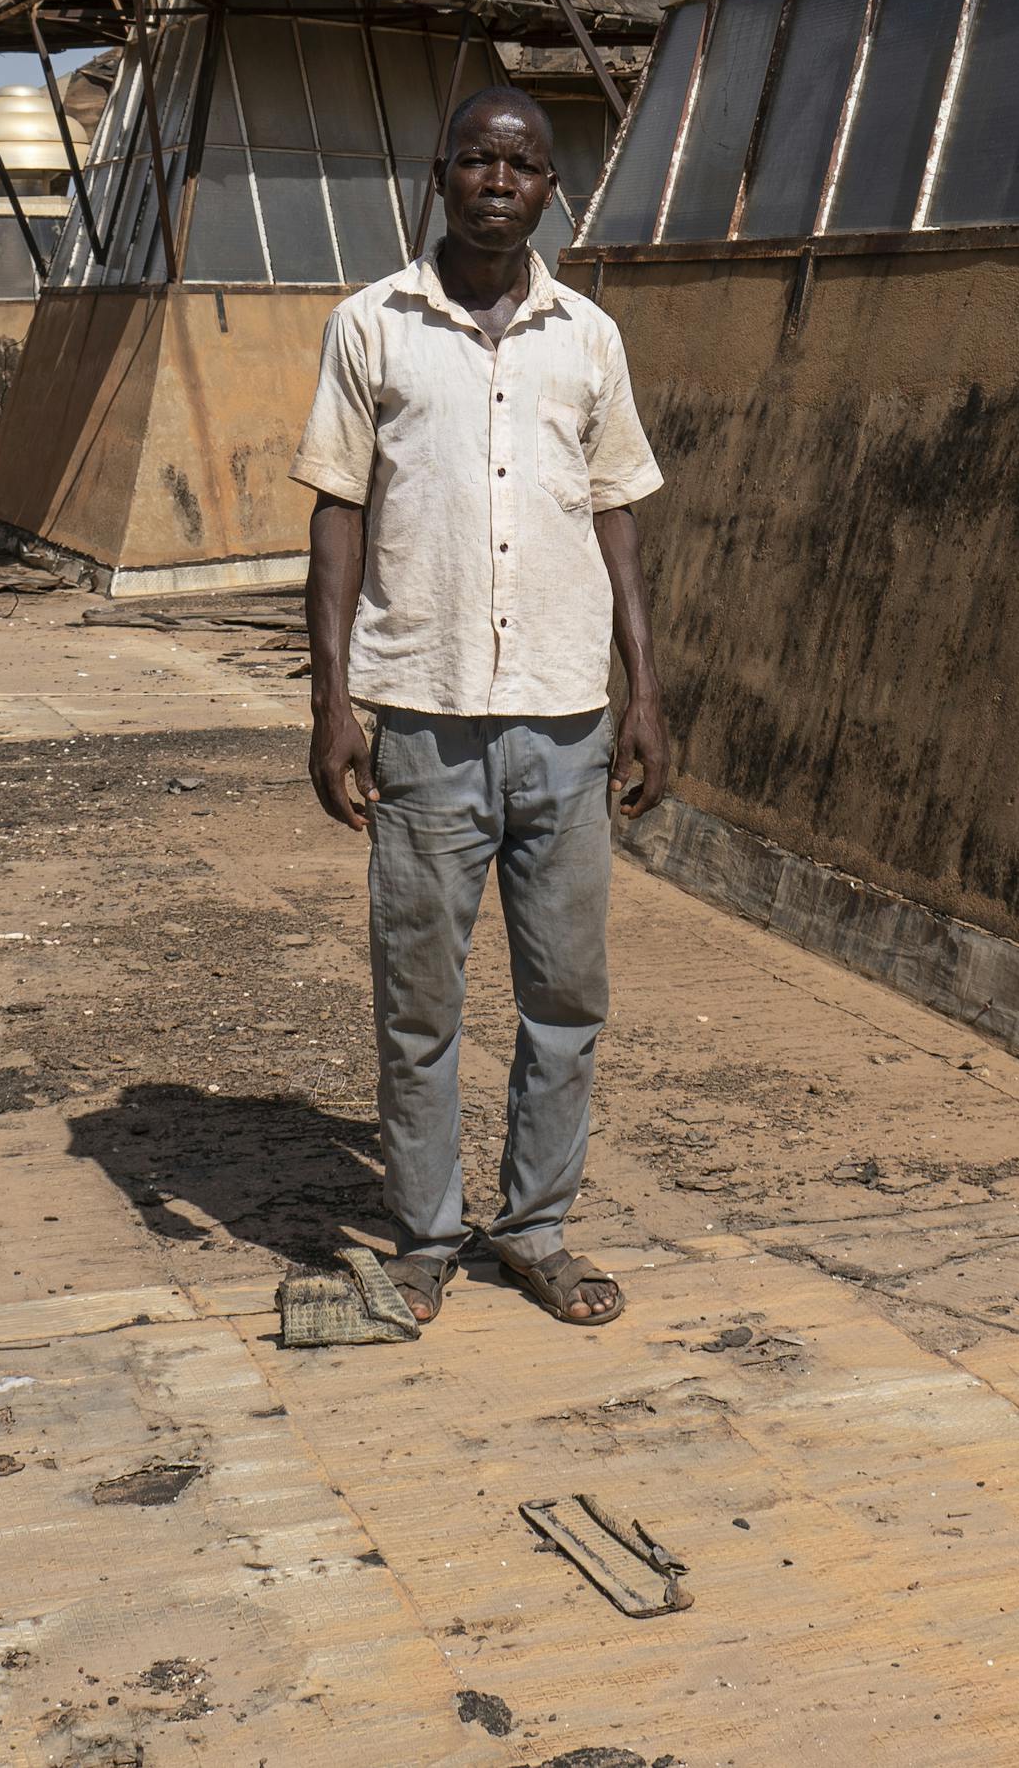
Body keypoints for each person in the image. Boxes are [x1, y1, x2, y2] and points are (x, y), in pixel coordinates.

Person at [292, 81, 669, 1329]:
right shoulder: (372, 327)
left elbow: (615, 511)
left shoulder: (588, 339)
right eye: (473, 159)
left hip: (564, 723)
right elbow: (336, 511)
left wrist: (644, 691)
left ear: (549, 187)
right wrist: (331, 701)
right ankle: (422, 1236)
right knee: (419, 1006)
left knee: (564, 999)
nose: (496, 181)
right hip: (423, 718)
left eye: (520, 164)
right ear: (440, 172)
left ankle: (537, 1227)